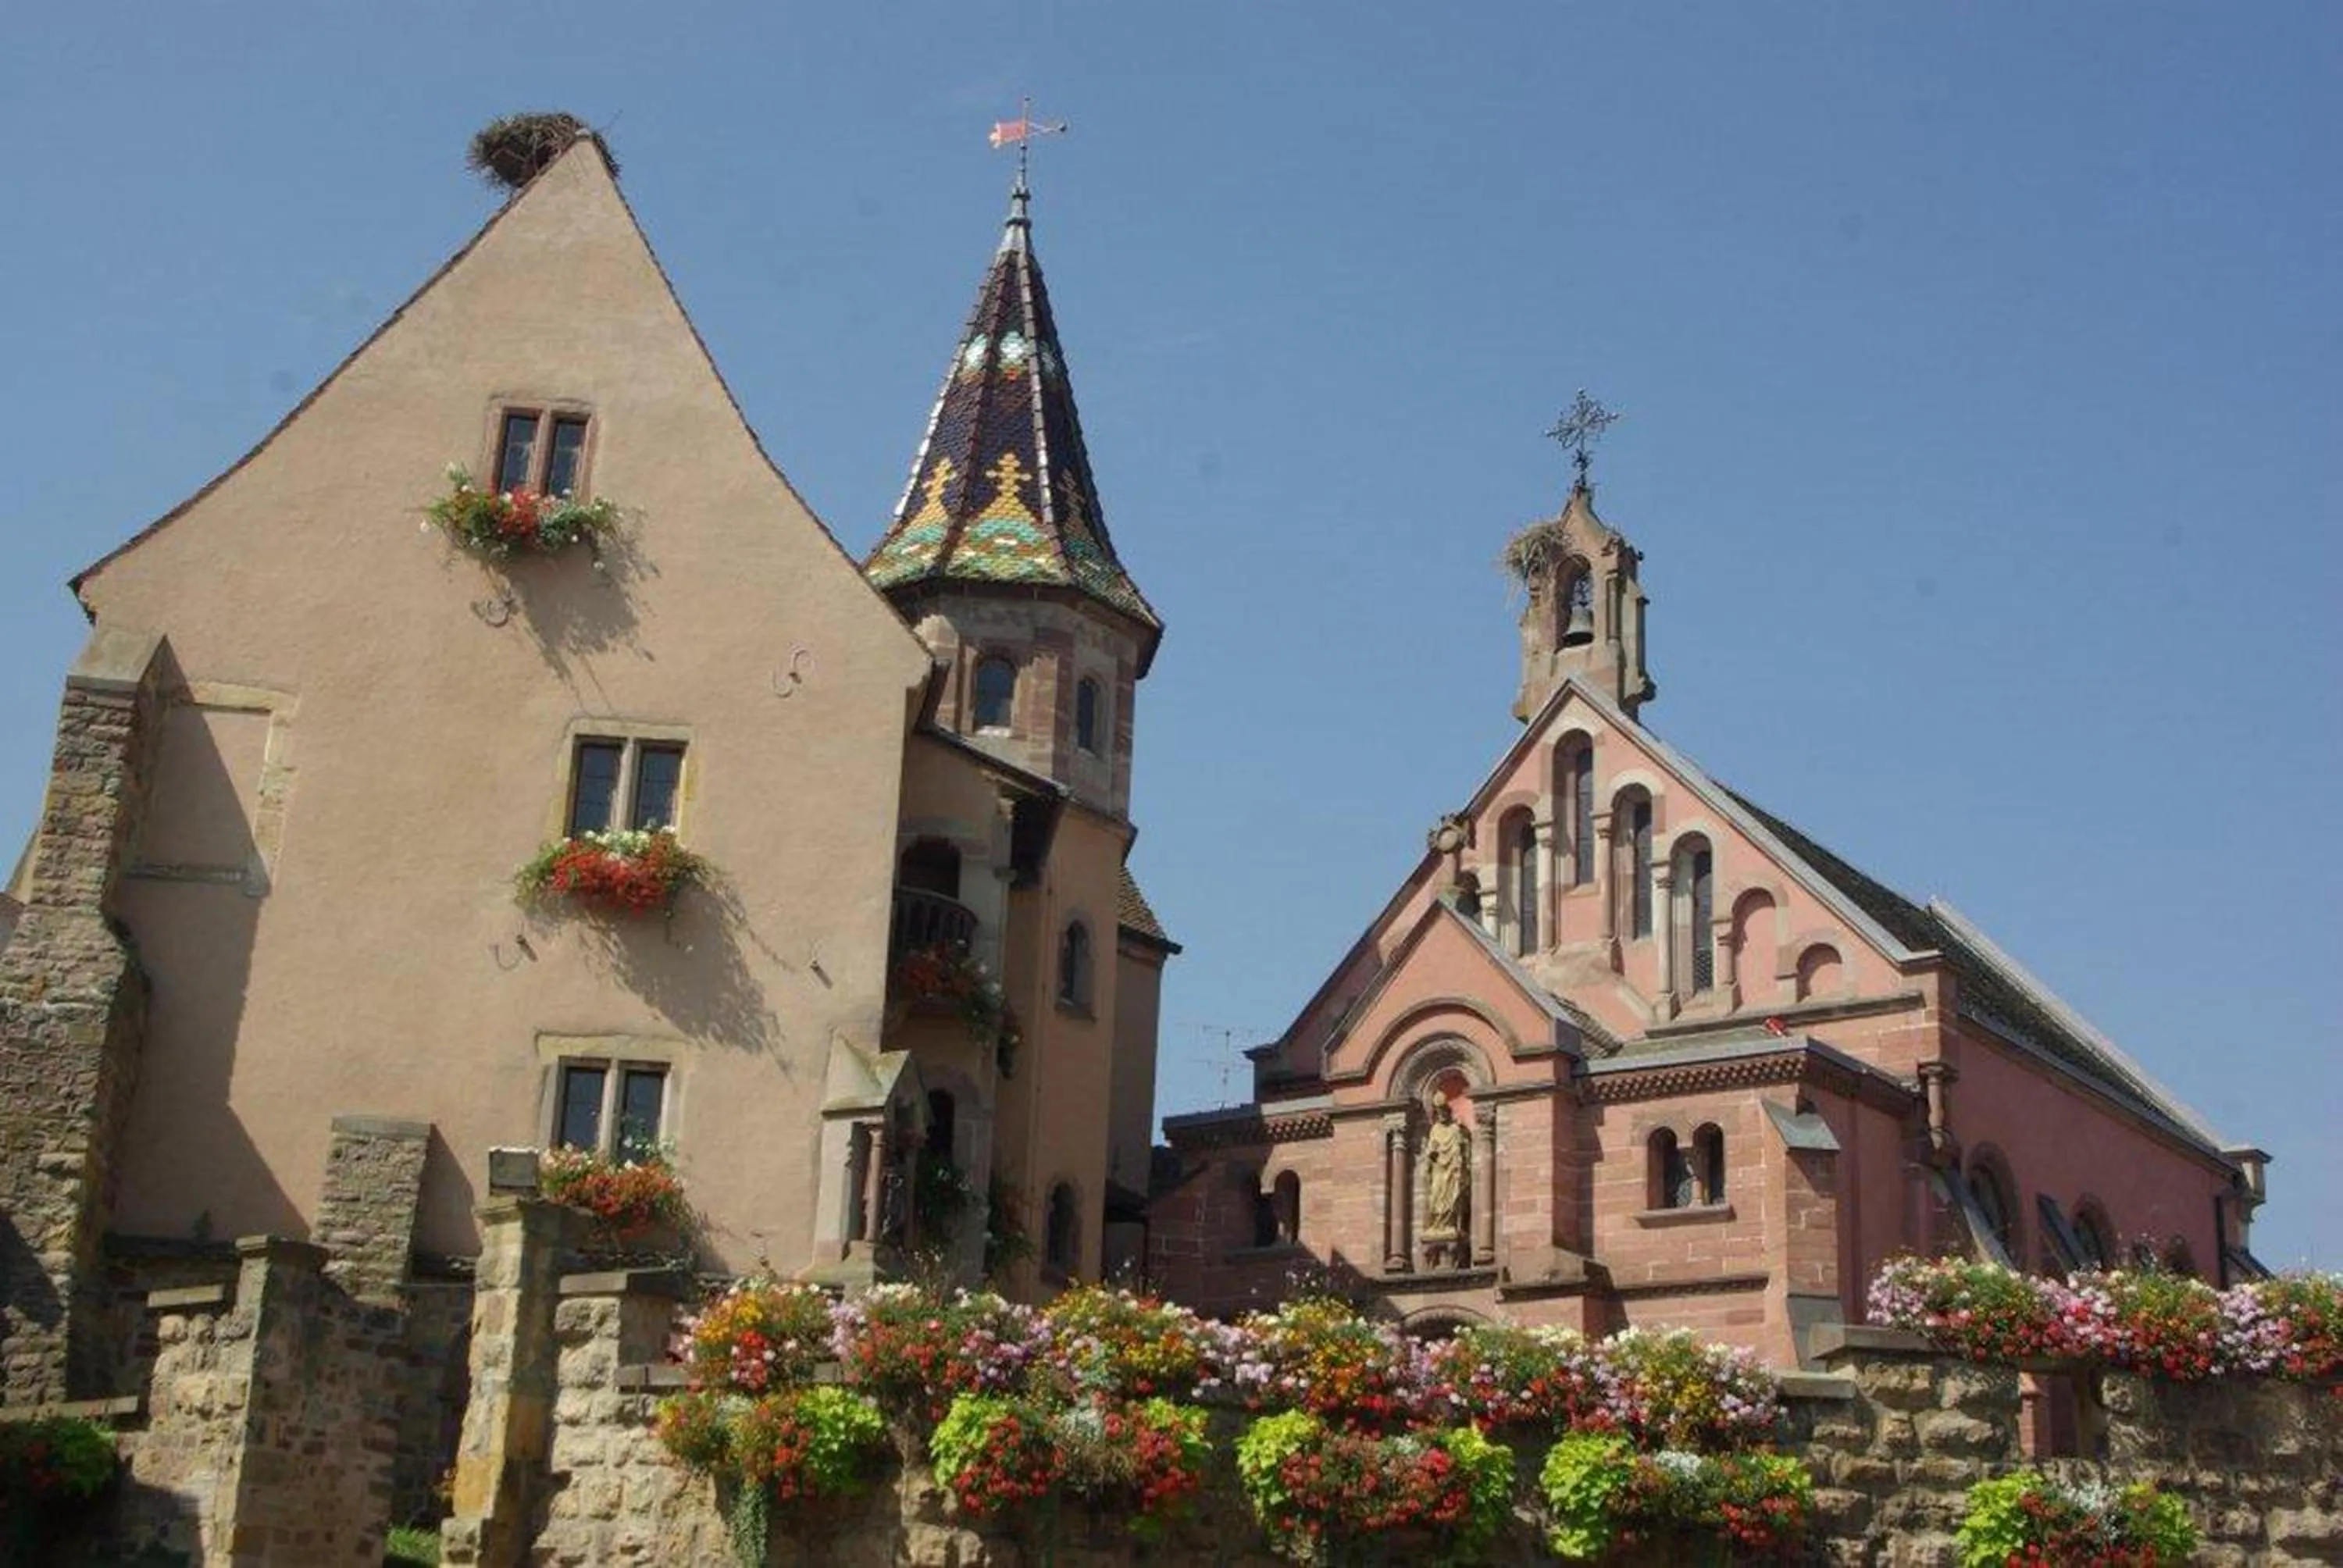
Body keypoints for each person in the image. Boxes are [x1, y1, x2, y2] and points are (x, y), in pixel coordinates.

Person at [1422, 1099, 1470, 1266]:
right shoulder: (1435, 1129)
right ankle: (1437, 1226)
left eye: (1444, 1111)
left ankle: (1450, 1225)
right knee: (1435, 1199)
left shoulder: (1456, 1129)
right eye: (1438, 1111)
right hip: (1439, 1171)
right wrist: (1433, 1153)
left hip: (1452, 1171)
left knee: (1452, 1199)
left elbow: (1464, 1150)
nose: (1441, 1114)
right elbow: (1431, 1150)